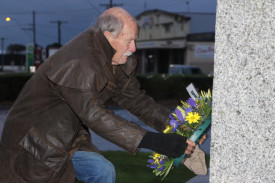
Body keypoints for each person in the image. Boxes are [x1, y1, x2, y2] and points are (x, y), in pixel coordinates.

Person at [0, 7, 205, 183]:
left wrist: (183, 128)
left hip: (69, 139)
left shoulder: (116, 57)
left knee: (102, 170)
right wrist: (157, 142)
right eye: (129, 41)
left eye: (135, 40)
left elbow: (136, 100)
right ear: (109, 37)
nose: (133, 48)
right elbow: (96, 116)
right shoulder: (81, 63)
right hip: (34, 142)